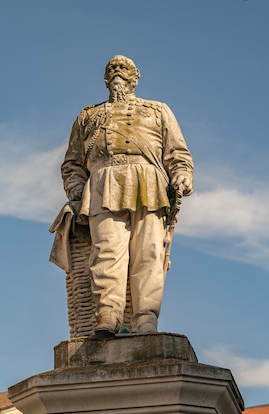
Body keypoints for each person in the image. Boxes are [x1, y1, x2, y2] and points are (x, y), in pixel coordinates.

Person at [61, 55, 194, 337]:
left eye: (124, 68)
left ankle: (145, 319)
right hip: (102, 184)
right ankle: (108, 315)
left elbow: (178, 154)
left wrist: (182, 175)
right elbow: (72, 163)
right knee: (106, 252)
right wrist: (76, 191)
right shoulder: (87, 117)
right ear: (106, 79)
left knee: (149, 253)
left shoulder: (157, 111)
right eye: (112, 69)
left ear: (136, 77)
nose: (117, 72)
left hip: (149, 184)